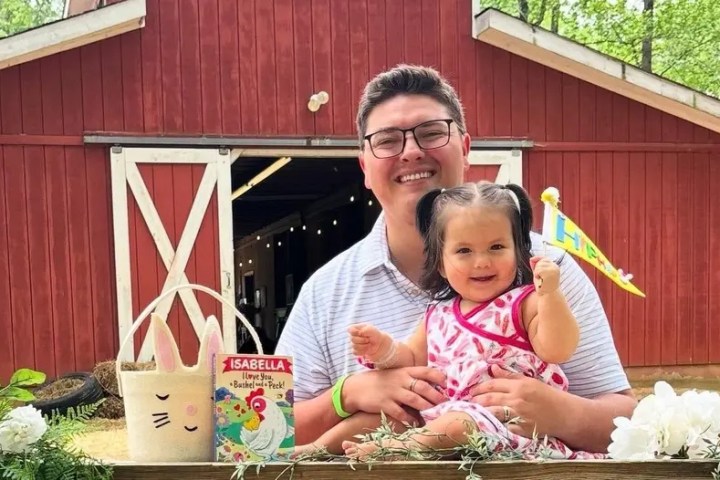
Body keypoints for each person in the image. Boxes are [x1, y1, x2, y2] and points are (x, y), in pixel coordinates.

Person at [274, 64, 636, 456]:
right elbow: (268, 430)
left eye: (431, 133)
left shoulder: (548, 270)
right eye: (387, 140)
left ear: (464, 148)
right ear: (364, 166)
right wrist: (347, 395)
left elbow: (627, 421)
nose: (411, 151)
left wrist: (562, 414)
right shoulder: (325, 293)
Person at [336, 181, 603, 459]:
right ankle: (314, 449)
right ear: (440, 261)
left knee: (461, 424)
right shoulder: (437, 314)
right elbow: (411, 358)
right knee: (380, 416)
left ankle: (399, 447)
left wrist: (551, 295)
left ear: (519, 251)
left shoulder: (525, 303)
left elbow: (558, 349)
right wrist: (383, 349)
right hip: (439, 417)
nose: (481, 262)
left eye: (497, 247)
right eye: (464, 251)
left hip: (501, 426)